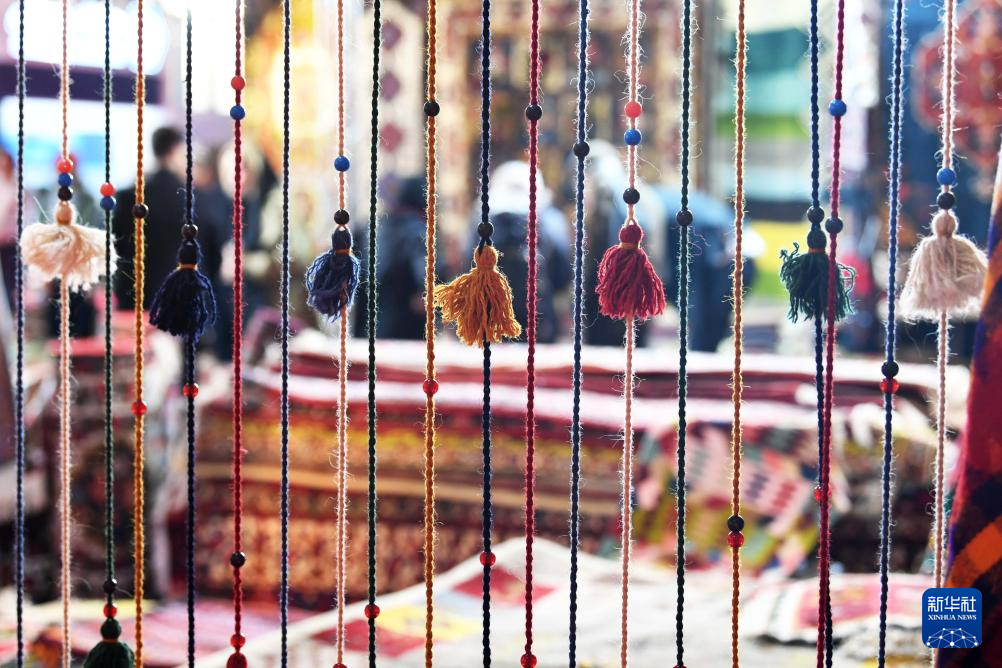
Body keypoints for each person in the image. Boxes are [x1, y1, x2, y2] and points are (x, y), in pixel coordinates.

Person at [112, 127, 188, 310]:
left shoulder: (129, 196)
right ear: (174, 151)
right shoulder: (190, 199)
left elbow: (117, 246)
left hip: (134, 292)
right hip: (177, 295)